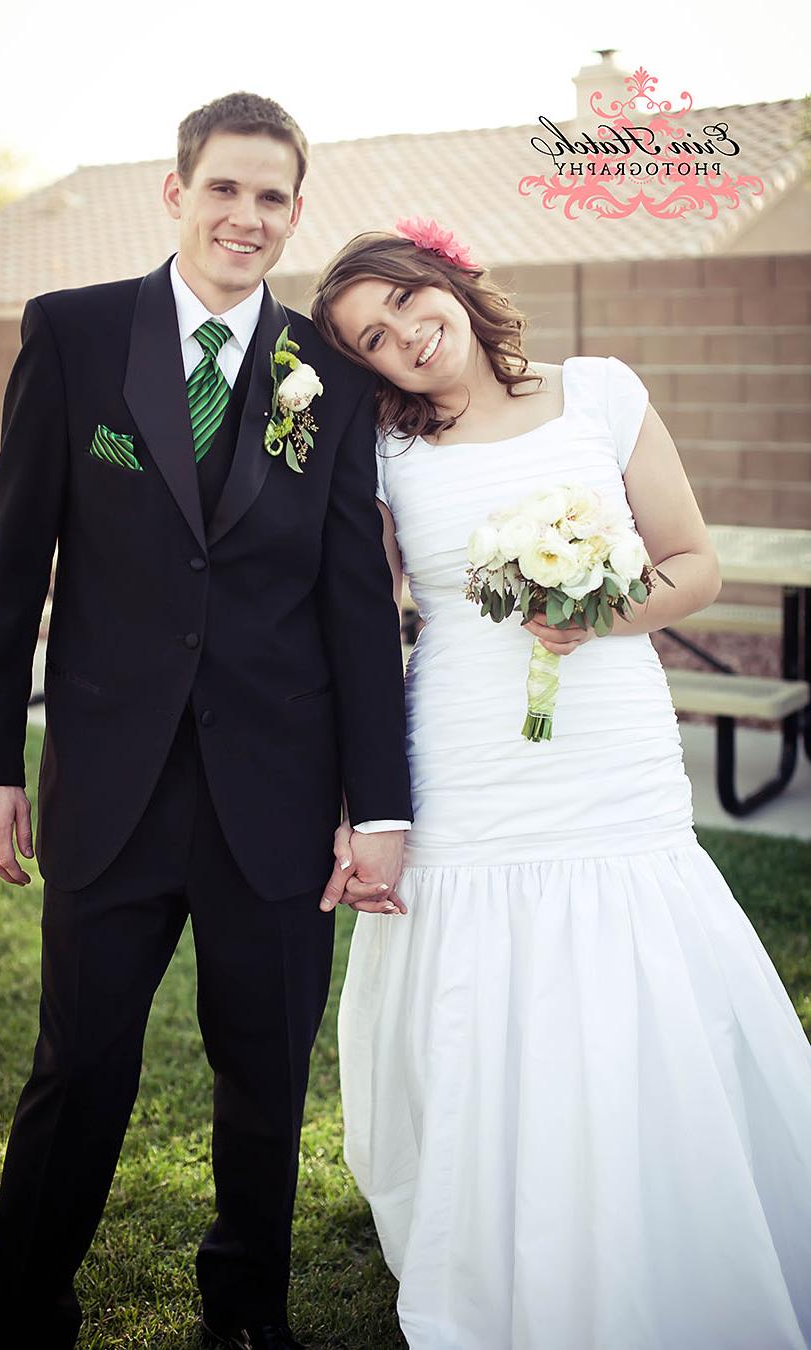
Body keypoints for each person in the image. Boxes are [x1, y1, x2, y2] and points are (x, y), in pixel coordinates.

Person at [0, 94, 412, 1350]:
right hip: (110, 782)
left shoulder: (330, 373)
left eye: (273, 197)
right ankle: (25, 1311)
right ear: (176, 192)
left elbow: (357, 607)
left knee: (263, 1084)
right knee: (78, 1070)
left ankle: (246, 1318)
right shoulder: (76, 334)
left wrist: (379, 807)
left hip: (275, 790)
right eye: (225, 189)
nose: (247, 218)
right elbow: (12, 561)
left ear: (297, 212)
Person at [311, 223, 811, 1350]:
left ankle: (665, 1206)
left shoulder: (599, 392)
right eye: (373, 341)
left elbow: (693, 563)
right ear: (370, 371)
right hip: (464, 745)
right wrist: (361, 799)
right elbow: (361, 629)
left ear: (446, 277)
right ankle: (496, 1238)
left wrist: (599, 608)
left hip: (608, 738)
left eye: (403, 301)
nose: (405, 337)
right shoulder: (386, 453)